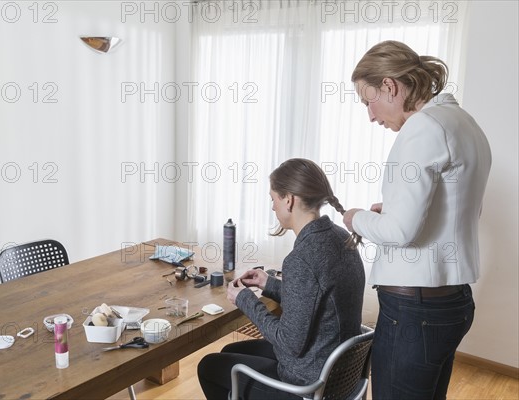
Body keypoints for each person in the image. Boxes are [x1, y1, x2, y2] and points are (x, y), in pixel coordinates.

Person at [343, 40, 492, 400]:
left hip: (415, 311)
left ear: (390, 87)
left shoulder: (422, 128)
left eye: (369, 101)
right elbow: (459, 208)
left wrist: (356, 218)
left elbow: (399, 232)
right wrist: (391, 210)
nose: (371, 116)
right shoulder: (463, 122)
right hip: (450, 302)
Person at [197, 158, 366, 400]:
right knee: (230, 350)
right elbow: (317, 299)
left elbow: (289, 344)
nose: (273, 207)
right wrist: (270, 284)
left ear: (289, 200)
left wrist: (245, 299)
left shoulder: (301, 259)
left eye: (273, 199)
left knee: (209, 367)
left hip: (307, 383)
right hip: (338, 371)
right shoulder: (341, 238)